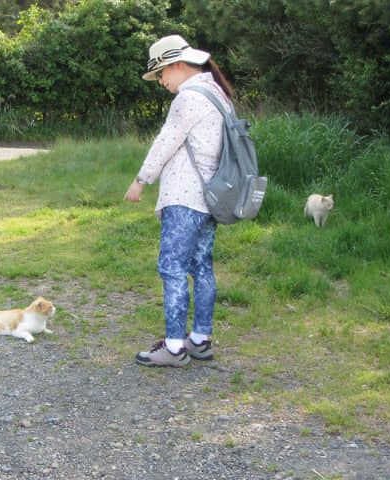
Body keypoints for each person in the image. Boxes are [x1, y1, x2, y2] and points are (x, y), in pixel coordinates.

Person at [124, 34, 234, 368]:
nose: (160, 81)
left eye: (161, 73)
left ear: (178, 64)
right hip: (211, 198)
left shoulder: (188, 98)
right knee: (202, 268)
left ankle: (174, 348)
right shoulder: (218, 95)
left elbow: (165, 143)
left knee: (172, 269)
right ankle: (199, 340)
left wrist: (141, 180)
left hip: (184, 197)